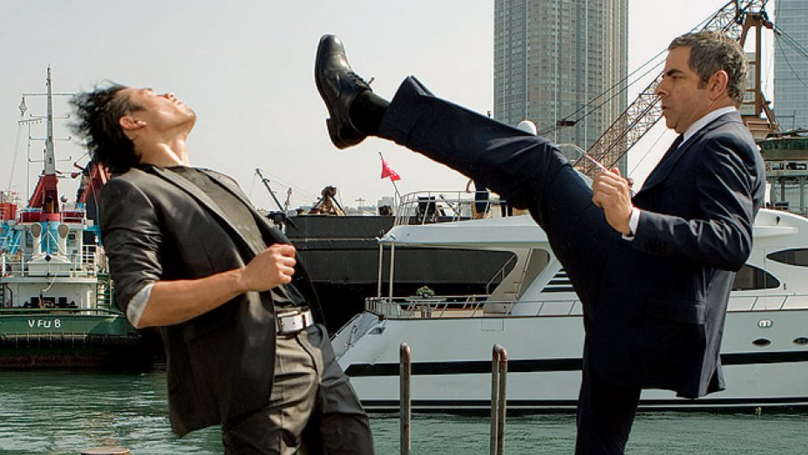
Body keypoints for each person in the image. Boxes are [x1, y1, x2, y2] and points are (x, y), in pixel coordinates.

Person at [314, 31, 765, 454]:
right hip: (639, 305)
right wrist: (630, 207)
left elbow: (731, 241)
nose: (659, 88)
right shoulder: (706, 140)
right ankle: (363, 114)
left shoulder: (724, 142)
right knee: (601, 429)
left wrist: (632, 217)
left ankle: (366, 111)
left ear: (715, 83)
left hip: (637, 287)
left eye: (675, 76)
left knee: (538, 163)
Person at [70, 85, 375, 454]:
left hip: (315, 345)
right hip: (259, 364)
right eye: (151, 93)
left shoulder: (221, 180)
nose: (169, 93)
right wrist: (244, 278)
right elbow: (140, 303)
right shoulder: (130, 190)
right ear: (132, 122)